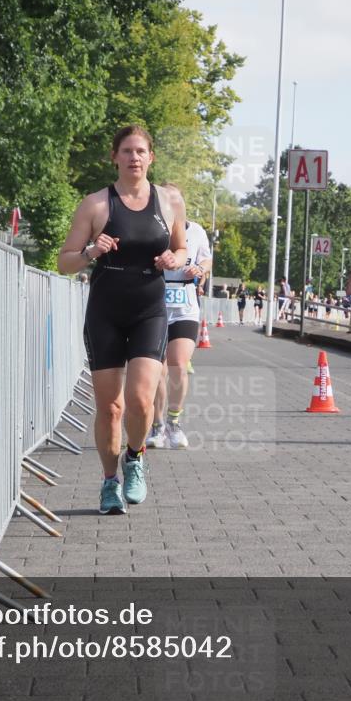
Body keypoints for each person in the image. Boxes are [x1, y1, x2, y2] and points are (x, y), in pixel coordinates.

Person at [57, 125, 187, 514]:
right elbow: (65, 261)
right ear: (114, 157)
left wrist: (173, 260)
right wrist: (92, 251)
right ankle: (109, 481)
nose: (134, 158)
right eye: (127, 151)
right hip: (106, 312)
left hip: (149, 308)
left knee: (141, 400)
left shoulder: (169, 202)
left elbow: (181, 250)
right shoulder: (96, 204)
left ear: (151, 157)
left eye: (141, 151)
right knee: (111, 407)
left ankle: (136, 457)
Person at [147, 187, 213, 451]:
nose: (172, 205)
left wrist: (200, 269)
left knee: (178, 364)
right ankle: (157, 425)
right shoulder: (154, 228)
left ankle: (174, 423)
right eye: (167, 200)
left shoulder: (196, 231)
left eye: (176, 200)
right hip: (155, 303)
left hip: (185, 305)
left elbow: (206, 259)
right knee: (158, 370)